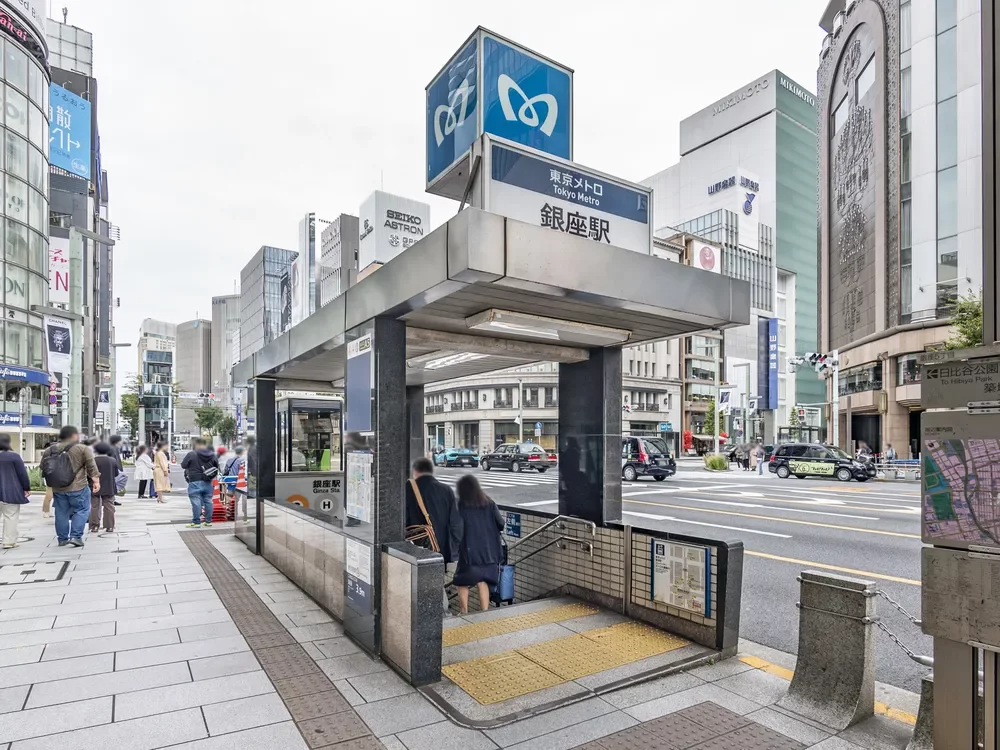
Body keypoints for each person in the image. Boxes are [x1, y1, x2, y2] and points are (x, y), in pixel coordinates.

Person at [404, 457, 462, 612]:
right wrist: (454, 550)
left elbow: (401, 519)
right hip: (440, 547)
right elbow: (456, 523)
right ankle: (437, 613)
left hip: (415, 546)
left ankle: (436, 612)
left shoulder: (408, 489)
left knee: (416, 582)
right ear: (431, 470)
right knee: (436, 581)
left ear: (415, 471)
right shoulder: (446, 490)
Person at [42, 425, 100, 547]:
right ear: (74, 435)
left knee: (61, 513)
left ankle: (62, 539)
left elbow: (44, 467)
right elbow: (91, 466)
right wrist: (96, 481)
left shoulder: (50, 450)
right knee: (82, 510)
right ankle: (76, 536)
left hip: (58, 488)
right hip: (78, 486)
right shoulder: (81, 449)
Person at [453, 474, 504, 614]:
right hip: (489, 551)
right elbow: (501, 523)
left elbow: (456, 527)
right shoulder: (489, 502)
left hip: (469, 550)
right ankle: (485, 612)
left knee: (461, 580)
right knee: (483, 581)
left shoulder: (460, 505)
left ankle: (464, 611)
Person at [0, 434, 31, 549]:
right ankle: (8, 541)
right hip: (10, 492)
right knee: (11, 516)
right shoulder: (14, 457)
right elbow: (22, 474)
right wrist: (26, 488)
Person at [182, 438, 219, 528]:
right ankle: (208, 521)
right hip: (208, 481)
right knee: (208, 501)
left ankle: (196, 522)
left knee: (196, 501)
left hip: (195, 481)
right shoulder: (212, 455)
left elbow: (184, 465)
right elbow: (216, 466)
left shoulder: (191, 454)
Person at [89, 442, 120, 533]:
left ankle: (94, 526)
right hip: (109, 486)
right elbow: (116, 474)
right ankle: (109, 526)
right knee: (109, 506)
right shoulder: (112, 460)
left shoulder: (93, 460)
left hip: (94, 486)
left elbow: (89, 474)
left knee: (94, 506)